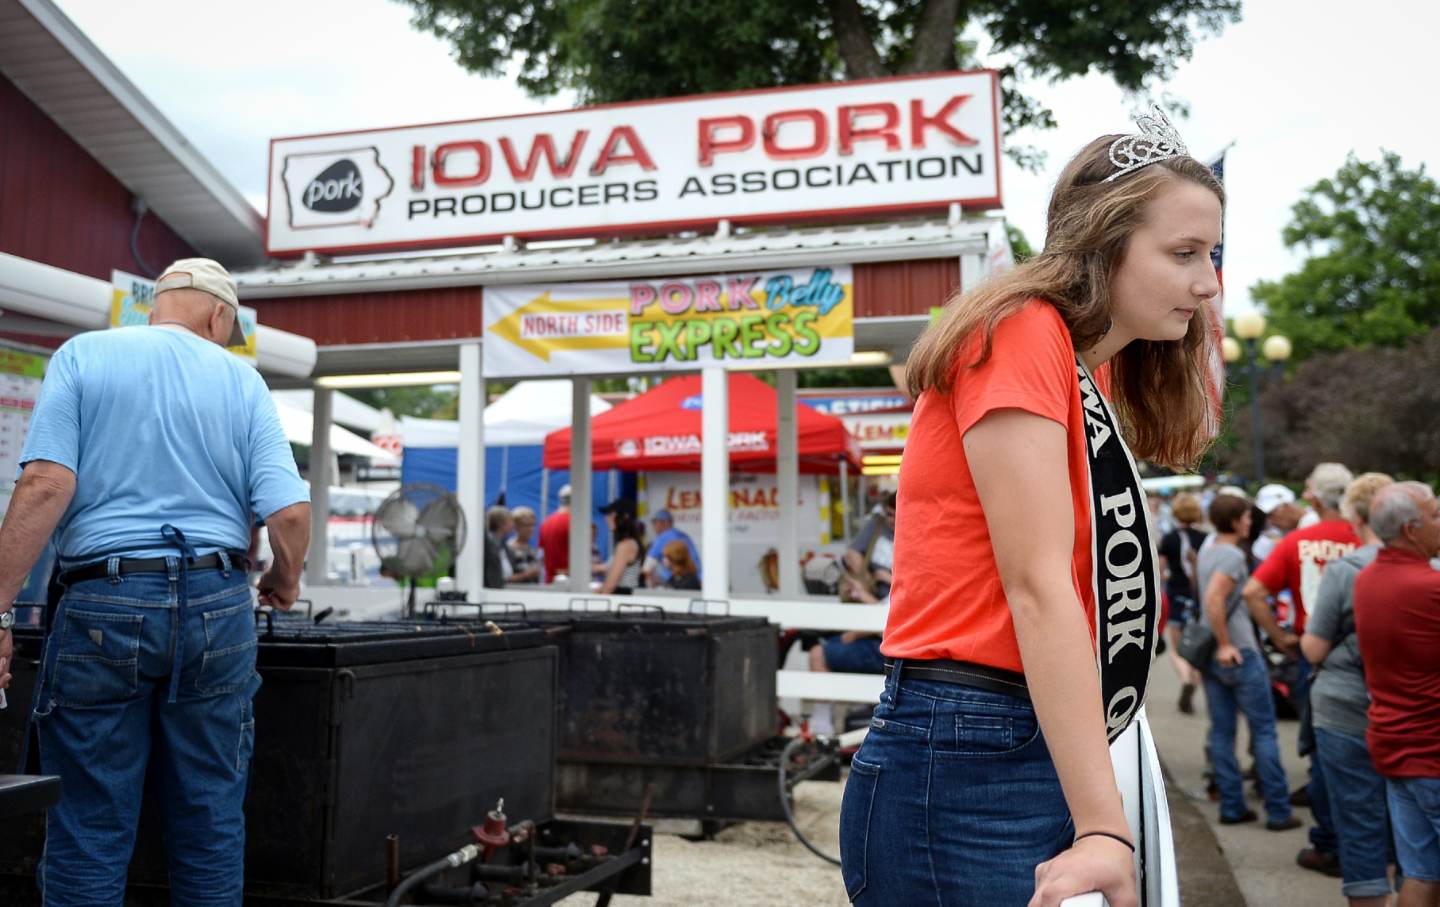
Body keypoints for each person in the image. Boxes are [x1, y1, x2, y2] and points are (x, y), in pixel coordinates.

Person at [839, 107, 1220, 907]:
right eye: (1183, 253)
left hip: (1011, 728)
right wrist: (1106, 830)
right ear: (1105, 242)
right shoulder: (1021, 330)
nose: (1208, 282)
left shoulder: (1088, 365)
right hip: (969, 738)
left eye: (1213, 254)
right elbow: (1039, 582)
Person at [0, 257, 311, 905]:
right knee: (210, 818)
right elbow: (289, 511)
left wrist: (0, 612)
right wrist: (285, 580)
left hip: (102, 602)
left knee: (88, 822)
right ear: (219, 316)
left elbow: (45, 484)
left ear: (155, 308)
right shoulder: (243, 380)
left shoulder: (84, 354)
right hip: (217, 607)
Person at [1242, 460, 1356, 874]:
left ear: (1312, 496)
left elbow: (1254, 592)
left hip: (1314, 656)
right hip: (1370, 655)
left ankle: (1329, 842)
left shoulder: (1296, 542)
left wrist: (1281, 637)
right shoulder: (1367, 539)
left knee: (1324, 754)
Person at [1300, 472, 1395, 907]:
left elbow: (1314, 647)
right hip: (1410, 708)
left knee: (1358, 818)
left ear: (1357, 516)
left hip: (1346, 706)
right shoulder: (1430, 568)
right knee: (1409, 817)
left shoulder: (1346, 571)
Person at [1354, 482, 1440, 907]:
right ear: (1411, 529)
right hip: (1431, 749)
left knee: (1421, 872)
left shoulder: (1367, 579)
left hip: (1393, 741)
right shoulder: (1429, 587)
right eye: (1436, 516)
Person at [1199, 493, 1301, 830]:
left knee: (1223, 732)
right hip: (1239, 652)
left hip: (1212, 656)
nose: (1250, 522)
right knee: (1264, 731)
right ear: (1232, 521)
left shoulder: (1207, 550)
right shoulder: (1231, 555)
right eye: (1244, 517)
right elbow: (1214, 600)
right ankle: (1278, 810)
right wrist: (1228, 644)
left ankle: (1231, 805)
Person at [1157, 492, 1206, 712]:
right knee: (1195, 647)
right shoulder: (1204, 538)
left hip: (1175, 592)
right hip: (1197, 596)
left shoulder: (1169, 538)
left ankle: (1186, 678)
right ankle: (1193, 679)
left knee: (1177, 649)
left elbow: (1159, 568)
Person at [840, 491, 896, 603]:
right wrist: (869, 581)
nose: (892, 520)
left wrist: (890, 580)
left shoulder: (917, 536)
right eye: (889, 514)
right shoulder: (878, 524)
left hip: (894, 599)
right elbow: (852, 554)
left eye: (897, 515)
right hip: (871, 591)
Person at [594, 499, 643, 595]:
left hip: (620, 600)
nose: (606, 518)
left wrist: (599, 598)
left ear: (624, 517)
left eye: (610, 515)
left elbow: (611, 585)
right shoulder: (629, 543)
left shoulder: (626, 545)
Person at [642, 509, 700, 588]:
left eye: (656, 522)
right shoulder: (684, 536)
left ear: (666, 523)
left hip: (677, 583)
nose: (654, 526)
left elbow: (646, 569)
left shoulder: (663, 537)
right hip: (695, 579)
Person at [1252, 482, 1301, 563]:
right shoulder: (1271, 537)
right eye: (1266, 516)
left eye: (1271, 514)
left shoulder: (1314, 522)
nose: (1270, 521)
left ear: (1288, 506)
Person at [537, 484, 571, 582]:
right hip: (570, 582)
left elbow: (542, 555)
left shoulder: (546, 522)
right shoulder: (576, 523)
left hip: (550, 581)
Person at [505, 506, 541, 584]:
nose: (531, 529)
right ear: (516, 526)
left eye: (533, 525)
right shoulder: (508, 548)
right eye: (526, 525)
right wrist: (526, 575)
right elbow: (505, 578)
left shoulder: (531, 548)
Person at [483, 505, 513, 589]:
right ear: (500, 523)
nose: (513, 524)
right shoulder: (490, 544)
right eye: (510, 520)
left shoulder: (503, 545)